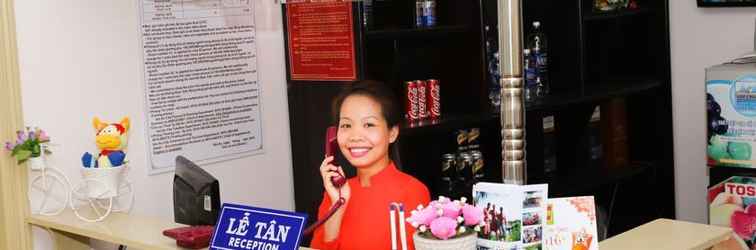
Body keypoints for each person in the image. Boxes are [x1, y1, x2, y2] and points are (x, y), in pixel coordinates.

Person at [311, 80, 431, 250]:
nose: (355, 136)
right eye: (346, 125)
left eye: (368, 124)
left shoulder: (413, 191)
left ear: (392, 133)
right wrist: (337, 205)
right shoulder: (335, 194)